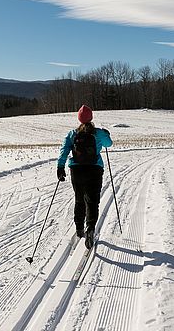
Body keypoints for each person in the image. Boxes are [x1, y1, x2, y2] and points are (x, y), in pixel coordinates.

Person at [57, 105, 112, 249]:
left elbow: (64, 150)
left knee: (79, 199)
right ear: (91, 118)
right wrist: (107, 134)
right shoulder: (98, 133)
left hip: (76, 170)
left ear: (79, 119)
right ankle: (90, 229)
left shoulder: (72, 134)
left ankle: (79, 229)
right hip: (94, 169)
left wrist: (60, 167)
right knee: (92, 201)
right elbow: (109, 144)